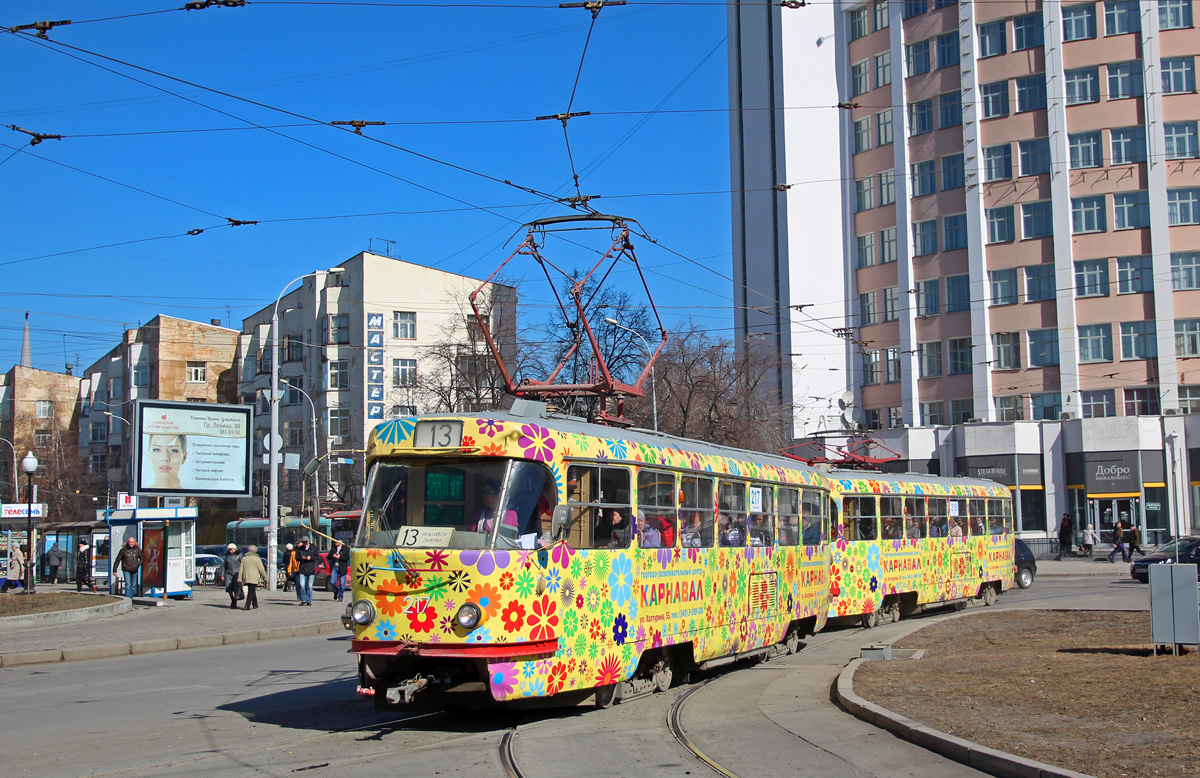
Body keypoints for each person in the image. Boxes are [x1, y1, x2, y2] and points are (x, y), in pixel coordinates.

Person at [238, 544, 268, 610]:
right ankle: (247, 605)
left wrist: (239, 578)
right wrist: (265, 577)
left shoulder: (244, 558)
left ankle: (255, 604)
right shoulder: (257, 559)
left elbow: (241, 569)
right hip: (253, 577)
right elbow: (261, 569)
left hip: (246, 577)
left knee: (252, 590)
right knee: (251, 590)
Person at [295, 536, 319, 606]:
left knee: (309, 586)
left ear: (308, 541)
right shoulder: (300, 548)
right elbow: (297, 557)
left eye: (306, 542)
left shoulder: (313, 548)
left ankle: (309, 600)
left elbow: (317, 557)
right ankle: (303, 599)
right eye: (304, 542)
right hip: (302, 569)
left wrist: (310, 558)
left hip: (311, 569)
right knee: (302, 585)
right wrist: (301, 557)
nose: (305, 544)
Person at [223, 543, 243, 609]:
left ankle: (235, 600)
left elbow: (243, 564)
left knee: (236, 588)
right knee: (228, 588)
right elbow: (224, 565)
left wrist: (242, 573)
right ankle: (232, 599)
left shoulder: (239, 555)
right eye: (229, 549)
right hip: (229, 573)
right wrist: (222, 574)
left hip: (237, 573)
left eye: (231, 549)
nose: (230, 551)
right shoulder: (227, 555)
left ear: (235, 549)